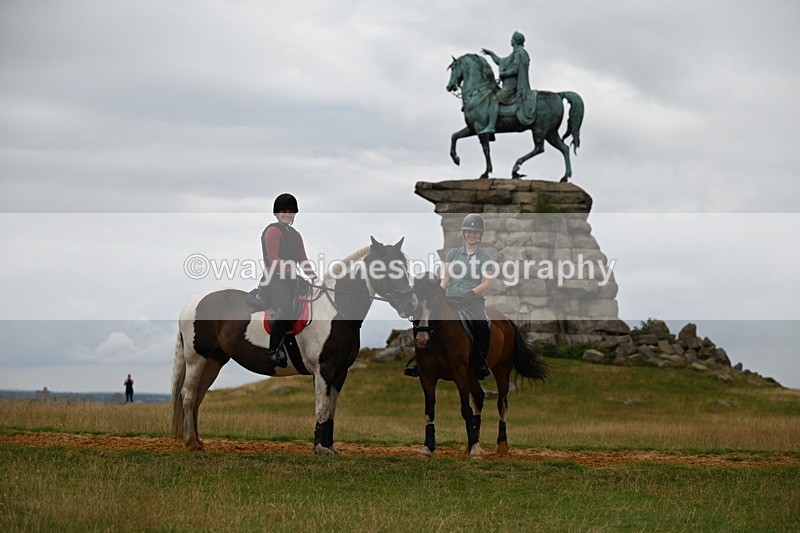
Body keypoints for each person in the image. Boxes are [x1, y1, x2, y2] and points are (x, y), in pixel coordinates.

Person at [405, 214, 493, 379]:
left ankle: (481, 362)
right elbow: (446, 278)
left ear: (480, 235)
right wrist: (437, 292)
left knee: (482, 323)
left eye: (475, 232)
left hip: (471, 299)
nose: (471, 235)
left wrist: (472, 292)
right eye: (469, 232)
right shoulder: (453, 254)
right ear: (464, 233)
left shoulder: (484, 257)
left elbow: (487, 282)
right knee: (422, 316)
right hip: (450, 296)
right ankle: (420, 361)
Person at [260, 193, 317, 368]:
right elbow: (274, 259)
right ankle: (273, 351)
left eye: (291, 211)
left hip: (293, 280)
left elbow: (302, 259)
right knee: (285, 307)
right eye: (284, 211)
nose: (288, 214)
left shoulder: (295, 234)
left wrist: (314, 277)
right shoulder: (272, 231)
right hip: (275, 280)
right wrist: (292, 272)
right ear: (277, 213)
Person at [478, 31, 536, 135]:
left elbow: (515, 69)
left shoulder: (519, 53)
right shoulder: (515, 53)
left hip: (512, 87)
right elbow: (501, 61)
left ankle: (491, 126)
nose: (511, 40)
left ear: (515, 41)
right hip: (508, 86)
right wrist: (491, 54)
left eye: (512, 39)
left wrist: (504, 74)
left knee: (495, 99)